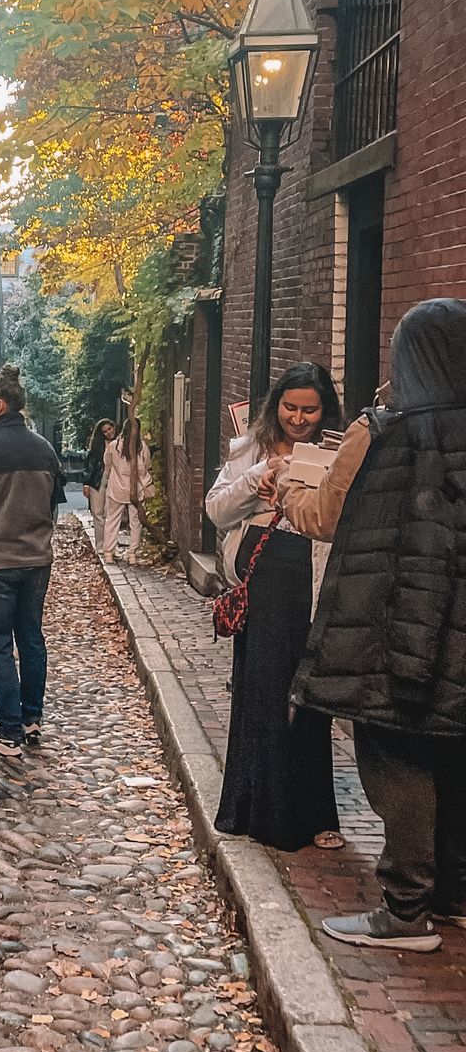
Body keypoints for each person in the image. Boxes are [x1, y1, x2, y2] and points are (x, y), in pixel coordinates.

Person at [283, 300, 466, 950]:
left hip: (395, 631)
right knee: (452, 756)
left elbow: (337, 520)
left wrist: (284, 490)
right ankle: (452, 896)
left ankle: (405, 911)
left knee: (397, 759)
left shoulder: (385, 432)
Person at [205, 362, 345, 854]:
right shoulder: (251, 449)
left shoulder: (340, 451)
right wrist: (258, 481)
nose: (299, 418)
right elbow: (216, 508)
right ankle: (252, 805)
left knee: (310, 694)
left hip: (312, 573)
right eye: (290, 407)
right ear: (275, 406)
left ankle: (314, 813)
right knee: (260, 689)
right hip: (262, 578)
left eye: (310, 409)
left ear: (325, 409)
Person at [0, 365, 65, 752]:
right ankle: (32, 718)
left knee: (0, 644)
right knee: (32, 638)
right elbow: (54, 504)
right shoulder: (45, 449)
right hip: (37, 560)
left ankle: (8, 729)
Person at [99, 417, 153, 563]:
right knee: (135, 522)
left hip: (116, 488)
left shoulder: (114, 446)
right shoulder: (141, 447)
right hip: (136, 489)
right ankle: (132, 554)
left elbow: (107, 464)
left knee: (112, 520)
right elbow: (146, 466)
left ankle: (109, 552)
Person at [83, 419, 116, 552]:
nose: (108, 432)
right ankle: (100, 546)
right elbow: (90, 465)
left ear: (114, 427)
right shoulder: (98, 447)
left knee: (110, 514)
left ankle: (110, 547)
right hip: (98, 480)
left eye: (109, 429)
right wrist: (86, 483)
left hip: (114, 481)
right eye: (105, 431)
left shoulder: (120, 443)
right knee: (98, 513)